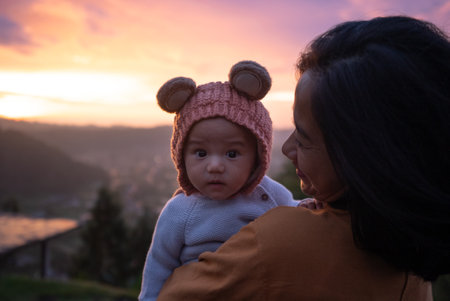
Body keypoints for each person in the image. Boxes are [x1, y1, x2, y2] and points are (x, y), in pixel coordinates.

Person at [155, 16, 450, 300]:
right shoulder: (412, 240)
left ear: (364, 154)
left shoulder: (272, 245)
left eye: (304, 137)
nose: (287, 149)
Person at [139, 61, 300, 300]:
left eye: (232, 154)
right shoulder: (180, 210)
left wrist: (308, 208)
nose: (215, 166)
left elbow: (295, 212)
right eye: (201, 153)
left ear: (257, 158)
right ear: (181, 156)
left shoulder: (268, 192)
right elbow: (158, 266)